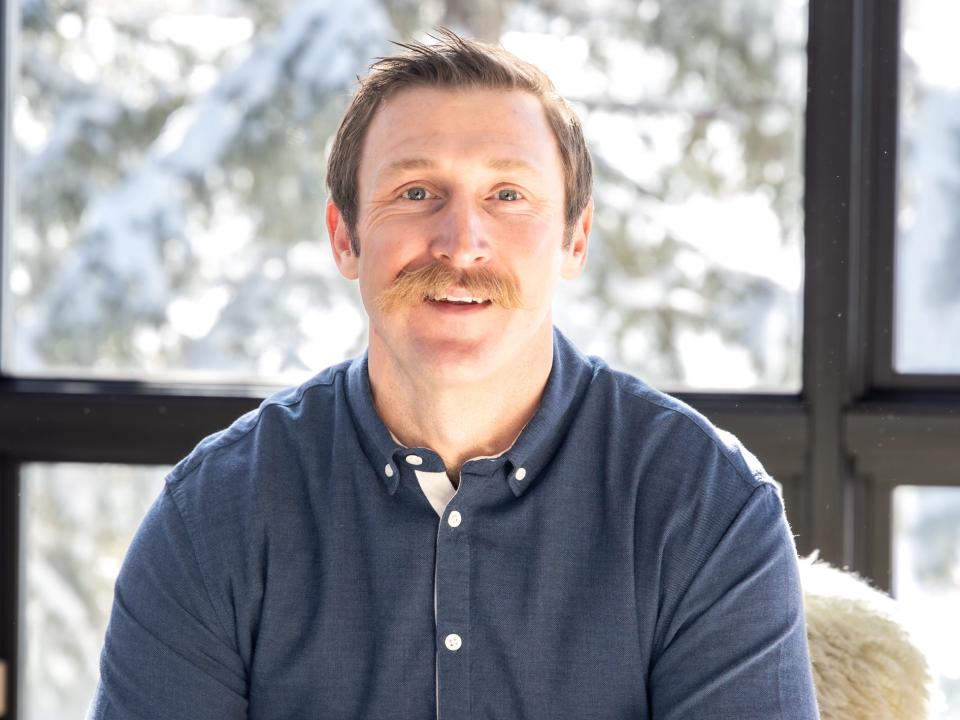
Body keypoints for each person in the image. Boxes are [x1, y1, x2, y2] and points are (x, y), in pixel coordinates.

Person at [89, 29, 819, 720]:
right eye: (415, 193)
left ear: (575, 239)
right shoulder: (213, 515)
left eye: (507, 196)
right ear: (345, 238)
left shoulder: (705, 505)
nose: (461, 244)